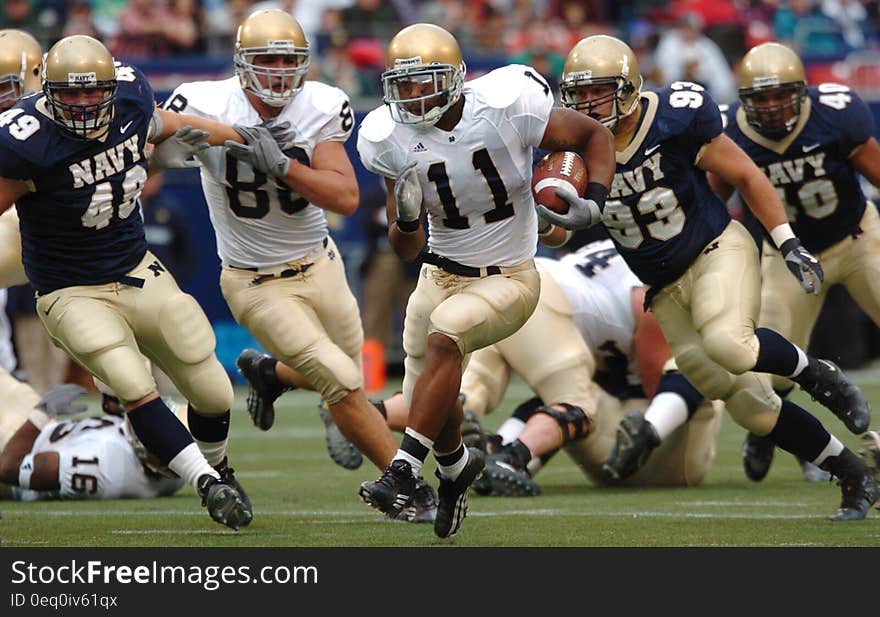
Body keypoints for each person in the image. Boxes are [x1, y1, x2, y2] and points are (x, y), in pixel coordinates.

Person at [540, 34, 877, 520]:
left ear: (630, 88)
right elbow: (551, 235)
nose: (588, 103)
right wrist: (557, 223)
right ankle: (851, 472)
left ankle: (819, 375)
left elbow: (746, 175)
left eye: (600, 90)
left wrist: (786, 241)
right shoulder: (568, 148)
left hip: (715, 251)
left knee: (730, 344)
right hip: (663, 289)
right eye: (580, 93)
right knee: (750, 407)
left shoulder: (672, 118)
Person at [160, 11, 436, 522]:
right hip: (254, 279)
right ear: (243, 65)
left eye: (291, 59)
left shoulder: (320, 104)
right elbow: (154, 127)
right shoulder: (207, 99)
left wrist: (283, 164)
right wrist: (225, 136)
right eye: (269, 59)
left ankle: (270, 374)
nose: (282, 70)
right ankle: (405, 486)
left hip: (320, 262)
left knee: (349, 375)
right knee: (341, 382)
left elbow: (347, 196)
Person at [356, 23, 616, 538]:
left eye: (422, 80)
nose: (411, 94)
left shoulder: (504, 105)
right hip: (439, 271)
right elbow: (405, 248)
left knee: (446, 336)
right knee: (428, 392)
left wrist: (597, 200)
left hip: (511, 276)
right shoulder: (388, 136)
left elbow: (593, 134)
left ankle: (402, 472)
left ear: (453, 78)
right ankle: (456, 469)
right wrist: (406, 220)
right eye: (402, 84)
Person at [0, 35, 256, 530]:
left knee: (213, 389)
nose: (80, 104)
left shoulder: (133, 97)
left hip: (135, 267)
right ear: (46, 89)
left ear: (109, 89)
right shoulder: (23, 139)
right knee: (133, 384)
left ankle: (219, 466)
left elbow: (169, 124)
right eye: (68, 94)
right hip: (71, 289)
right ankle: (208, 483)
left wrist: (236, 135)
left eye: (91, 93)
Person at [371, 240, 722, 495]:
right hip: (541, 302)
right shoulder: (660, 279)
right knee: (577, 405)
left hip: (506, 287)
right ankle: (514, 457)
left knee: (461, 393)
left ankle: (372, 413)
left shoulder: (625, 249)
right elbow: (651, 365)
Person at [708, 42, 880, 484]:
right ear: (744, 100)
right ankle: (770, 433)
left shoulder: (835, 114)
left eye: (779, 95)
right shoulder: (730, 133)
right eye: (759, 98)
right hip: (788, 255)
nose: (769, 106)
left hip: (857, 238)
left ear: (802, 91)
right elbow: (712, 206)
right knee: (773, 361)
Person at [0, 384, 186, 501]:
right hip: (38, 427)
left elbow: (7, 468)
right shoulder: (173, 472)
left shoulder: (100, 466)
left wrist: (42, 412)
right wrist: (116, 404)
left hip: (13, 444)